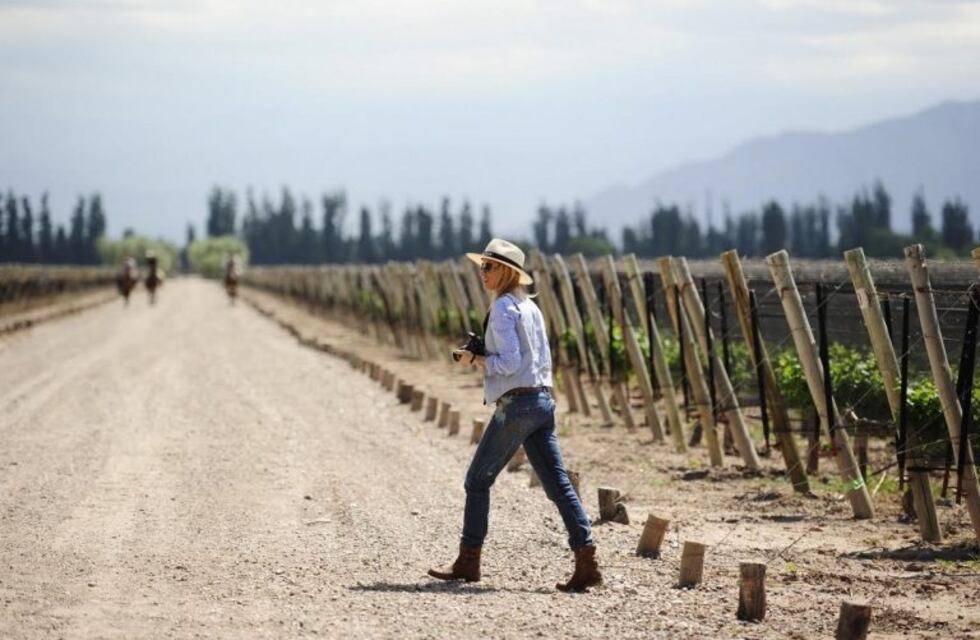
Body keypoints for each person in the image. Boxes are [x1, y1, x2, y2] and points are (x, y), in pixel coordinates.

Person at [427, 238, 602, 593]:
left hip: (517, 406)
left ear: (507, 272)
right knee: (559, 486)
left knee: (477, 481)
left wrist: (474, 359)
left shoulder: (504, 309)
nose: (482, 272)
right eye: (481, 266)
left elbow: (508, 363)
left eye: (489, 267)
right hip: (542, 401)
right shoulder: (530, 307)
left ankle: (468, 561)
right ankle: (587, 562)